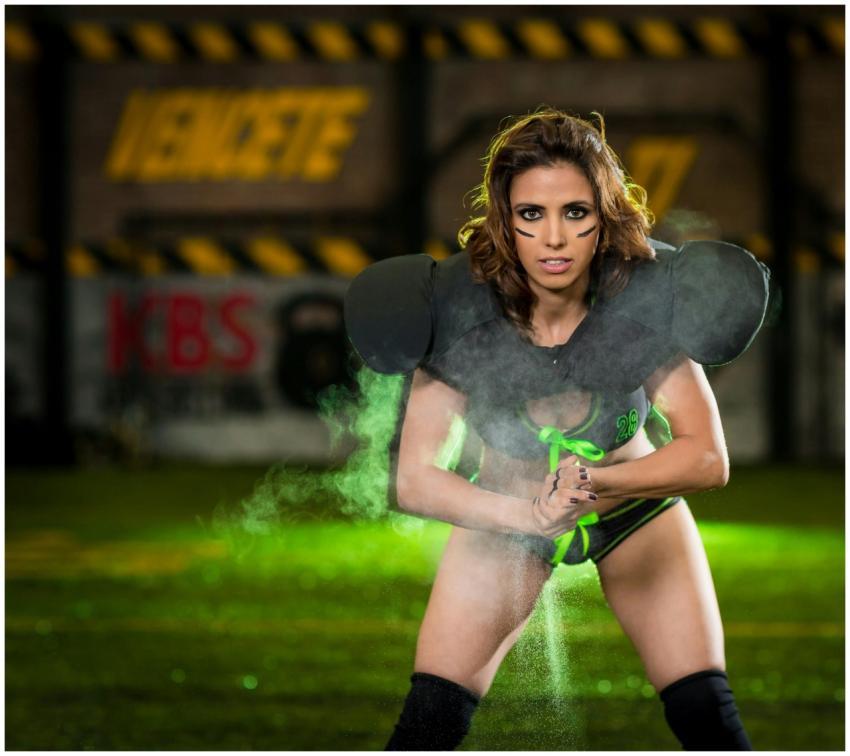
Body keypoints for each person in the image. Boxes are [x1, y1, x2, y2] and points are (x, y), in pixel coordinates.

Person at [344, 108, 770, 751]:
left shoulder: (642, 296)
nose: (554, 239)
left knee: (709, 721)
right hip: (507, 517)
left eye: (575, 212)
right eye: (532, 215)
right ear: (504, 219)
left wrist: (596, 481)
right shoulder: (459, 309)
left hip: (631, 510)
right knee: (427, 727)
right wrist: (529, 517)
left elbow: (708, 457)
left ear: (603, 215)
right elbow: (415, 480)